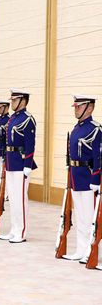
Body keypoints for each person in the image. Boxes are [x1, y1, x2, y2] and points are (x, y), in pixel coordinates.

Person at [63, 95, 101, 261]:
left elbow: (98, 157)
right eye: (75, 107)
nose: (76, 109)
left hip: (88, 178)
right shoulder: (76, 128)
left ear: (90, 108)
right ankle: (81, 249)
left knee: (90, 217)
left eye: (79, 106)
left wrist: (96, 179)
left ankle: (91, 251)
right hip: (76, 177)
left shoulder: (95, 129)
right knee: (80, 216)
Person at [0, 89, 37, 243]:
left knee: (20, 199)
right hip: (11, 162)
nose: (12, 103)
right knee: (13, 199)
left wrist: (28, 163)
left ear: (23, 101)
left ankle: (21, 231)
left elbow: (30, 143)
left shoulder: (28, 119)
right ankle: (14, 229)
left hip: (21, 164)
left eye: (14, 100)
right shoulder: (12, 118)